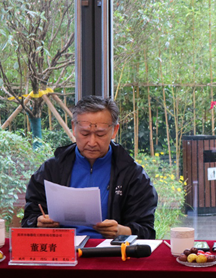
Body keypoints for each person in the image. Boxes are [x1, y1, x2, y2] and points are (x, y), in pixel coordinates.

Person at [22, 95, 157, 239]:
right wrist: (38, 223)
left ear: (114, 130)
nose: (92, 142)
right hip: (63, 248)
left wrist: (121, 231)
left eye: (100, 134)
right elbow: (29, 219)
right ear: (74, 128)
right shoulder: (52, 170)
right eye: (85, 133)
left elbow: (147, 231)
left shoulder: (132, 175)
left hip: (112, 250)